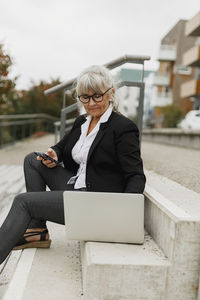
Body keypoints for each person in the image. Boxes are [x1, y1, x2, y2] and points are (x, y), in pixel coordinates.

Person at [0, 65, 146, 264]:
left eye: (97, 96)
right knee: (32, 160)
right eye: (85, 97)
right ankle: (36, 230)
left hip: (95, 203)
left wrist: (125, 214)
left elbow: (136, 175)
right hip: (77, 187)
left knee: (23, 201)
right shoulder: (82, 122)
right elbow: (61, 147)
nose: (91, 103)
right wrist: (53, 154)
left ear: (110, 93)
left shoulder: (123, 128)